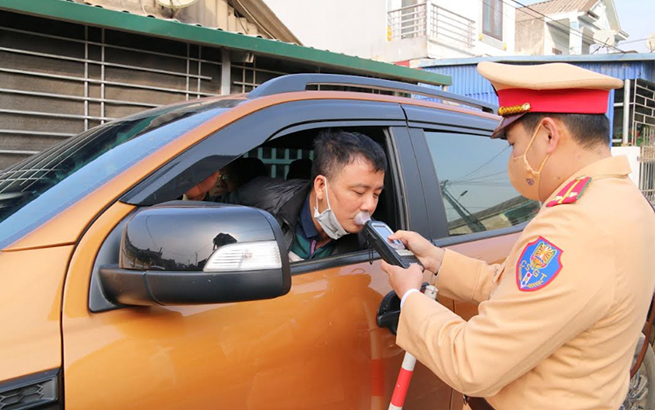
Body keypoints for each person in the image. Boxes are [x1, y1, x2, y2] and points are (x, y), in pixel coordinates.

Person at [381, 62, 655, 410]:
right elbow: (516, 290)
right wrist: (437, 261)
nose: (512, 159)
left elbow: (473, 362)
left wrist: (410, 299)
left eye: (513, 145)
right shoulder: (626, 200)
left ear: (549, 135)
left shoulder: (574, 227)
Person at [229, 128, 386, 261]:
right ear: (320, 186)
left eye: (376, 194)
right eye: (359, 192)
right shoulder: (265, 199)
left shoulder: (370, 242)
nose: (370, 205)